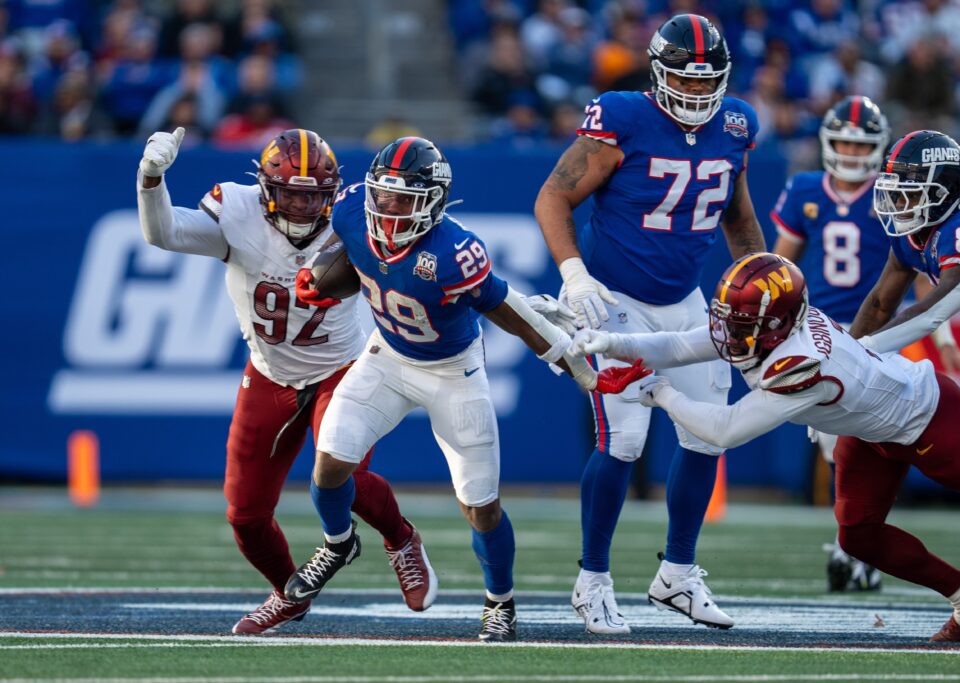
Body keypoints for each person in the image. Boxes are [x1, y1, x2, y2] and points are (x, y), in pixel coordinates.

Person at [287, 136, 647, 642]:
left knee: (481, 505)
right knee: (329, 462)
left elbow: (513, 315)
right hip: (386, 357)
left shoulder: (454, 251)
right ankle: (338, 542)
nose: (388, 210)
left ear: (433, 201)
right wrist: (319, 276)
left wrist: (584, 372)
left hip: (453, 371)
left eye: (403, 199)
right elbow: (343, 253)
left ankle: (500, 600)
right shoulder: (350, 209)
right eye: (382, 196)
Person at [573, 252, 960, 642]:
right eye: (728, 318)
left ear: (777, 323)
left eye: (742, 323)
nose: (729, 332)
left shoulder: (801, 362)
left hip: (926, 417)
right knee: (858, 535)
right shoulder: (767, 325)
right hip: (867, 431)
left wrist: (660, 393)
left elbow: (725, 430)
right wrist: (612, 341)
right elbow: (677, 345)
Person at [136, 127, 436, 635]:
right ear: (265, 189)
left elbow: (425, 256)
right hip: (269, 373)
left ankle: (401, 538)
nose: (300, 205)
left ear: (332, 193)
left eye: (313, 195)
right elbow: (163, 233)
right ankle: (288, 593)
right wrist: (150, 180)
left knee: (343, 477)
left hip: (339, 369)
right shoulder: (237, 209)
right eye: (291, 193)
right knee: (245, 516)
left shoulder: (352, 218)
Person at [533, 13, 766, 634]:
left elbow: (738, 219)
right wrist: (575, 274)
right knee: (626, 440)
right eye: (684, 83)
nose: (696, 95)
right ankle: (592, 580)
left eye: (707, 82)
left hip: (685, 299)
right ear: (659, 75)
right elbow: (553, 195)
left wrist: (763, 280)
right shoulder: (624, 117)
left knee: (710, 433)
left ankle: (679, 576)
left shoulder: (737, 124)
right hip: (614, 299)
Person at [770, 97, 960, 592]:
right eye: (842, 141)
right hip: (819, 329)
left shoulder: (895, 194)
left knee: (871, 440)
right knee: (834, 444)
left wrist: (942, 335)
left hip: (882, 330)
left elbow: (924, 275)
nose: (850, 152)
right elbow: (779, 266)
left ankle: (857, 545)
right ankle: (855, 544)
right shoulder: (804, 190)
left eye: (860, 144)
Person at [851, 130, 960, 477]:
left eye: (911, 194)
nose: (901, 206)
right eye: (898, 196)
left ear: (943, 193)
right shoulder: (916, 233)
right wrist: (840, 352)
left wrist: (860, 354)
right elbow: (880, 304)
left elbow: (930, 314)